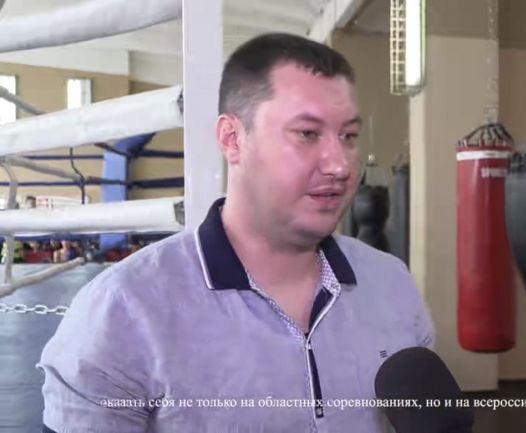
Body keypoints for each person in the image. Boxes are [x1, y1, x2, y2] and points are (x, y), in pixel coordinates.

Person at [38, 33, 434, 433]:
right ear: (232, 139)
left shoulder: (391, 284)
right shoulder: (123, 309)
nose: (340, 165)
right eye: (307, 133)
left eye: (348, 136)